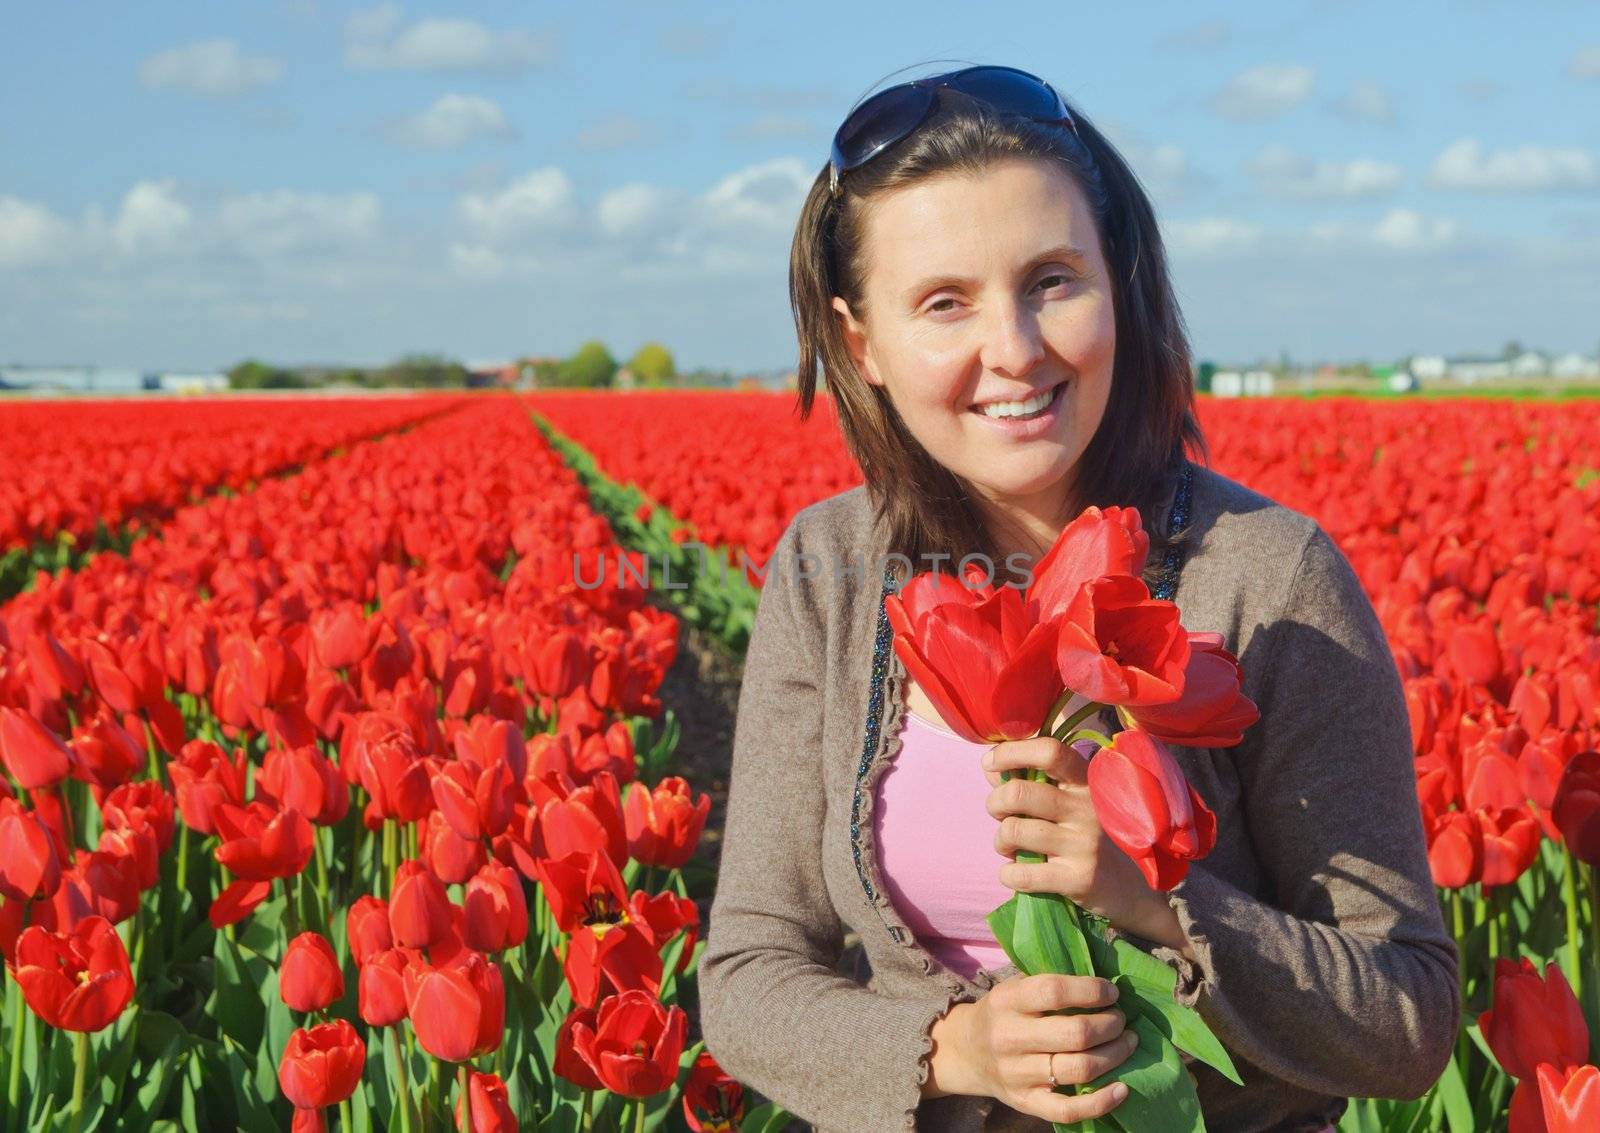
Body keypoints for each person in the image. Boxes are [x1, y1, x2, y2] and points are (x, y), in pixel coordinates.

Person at [697, 64, 1458, 1133]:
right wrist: (950, 1048)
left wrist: (1161, 905)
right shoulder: (828, 570)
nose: (1012, 350)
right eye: (943, 302)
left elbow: (1407, 1018)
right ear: (861, 342)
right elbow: (747, 972)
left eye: (1052, 280)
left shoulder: (1268, 576)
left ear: (1121, 283)